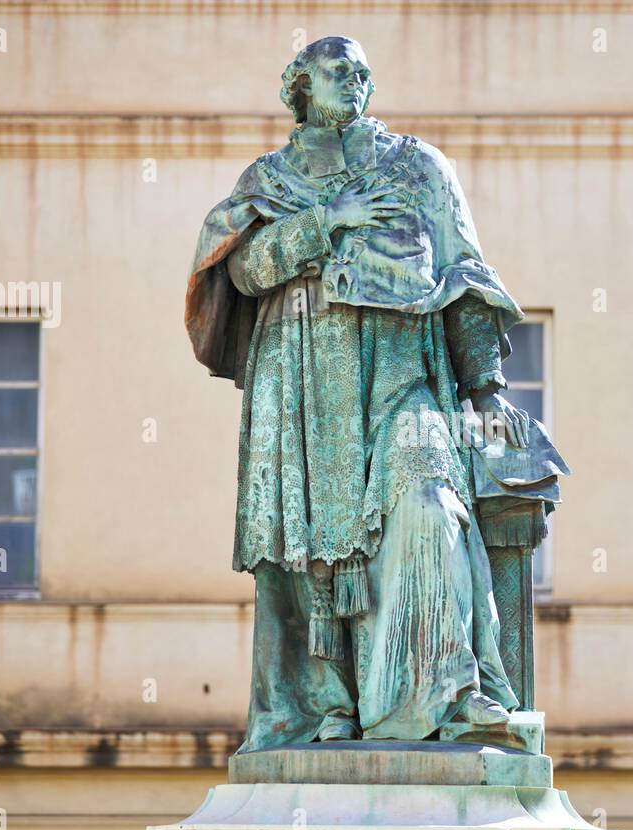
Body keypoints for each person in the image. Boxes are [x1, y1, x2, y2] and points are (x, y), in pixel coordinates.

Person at [183, 36, 532, 751]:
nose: (355, 81)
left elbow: (464, 276)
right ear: (300, 86)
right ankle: (324, 709)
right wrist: (325, 224)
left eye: (363, 72)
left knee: (431, 508)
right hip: (302, 377)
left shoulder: (419, 167)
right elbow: (241, 269)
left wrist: (486, 388)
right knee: (310, 550)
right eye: (337, 71)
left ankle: (449, 695)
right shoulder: (271, 178)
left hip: (403, 371)